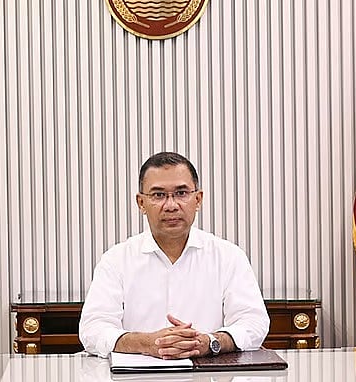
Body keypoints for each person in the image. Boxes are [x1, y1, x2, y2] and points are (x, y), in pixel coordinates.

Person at [79, 152, 269, 359]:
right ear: (141, 203)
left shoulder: (229, 257)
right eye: (158, 195)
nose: (171, 205)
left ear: (198, 199)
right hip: (136, 373)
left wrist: (209, 342)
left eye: (181, 193)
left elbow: (254, 323)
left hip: (208, 371)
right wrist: (148, 343)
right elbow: (93, 330)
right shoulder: (116, 260)